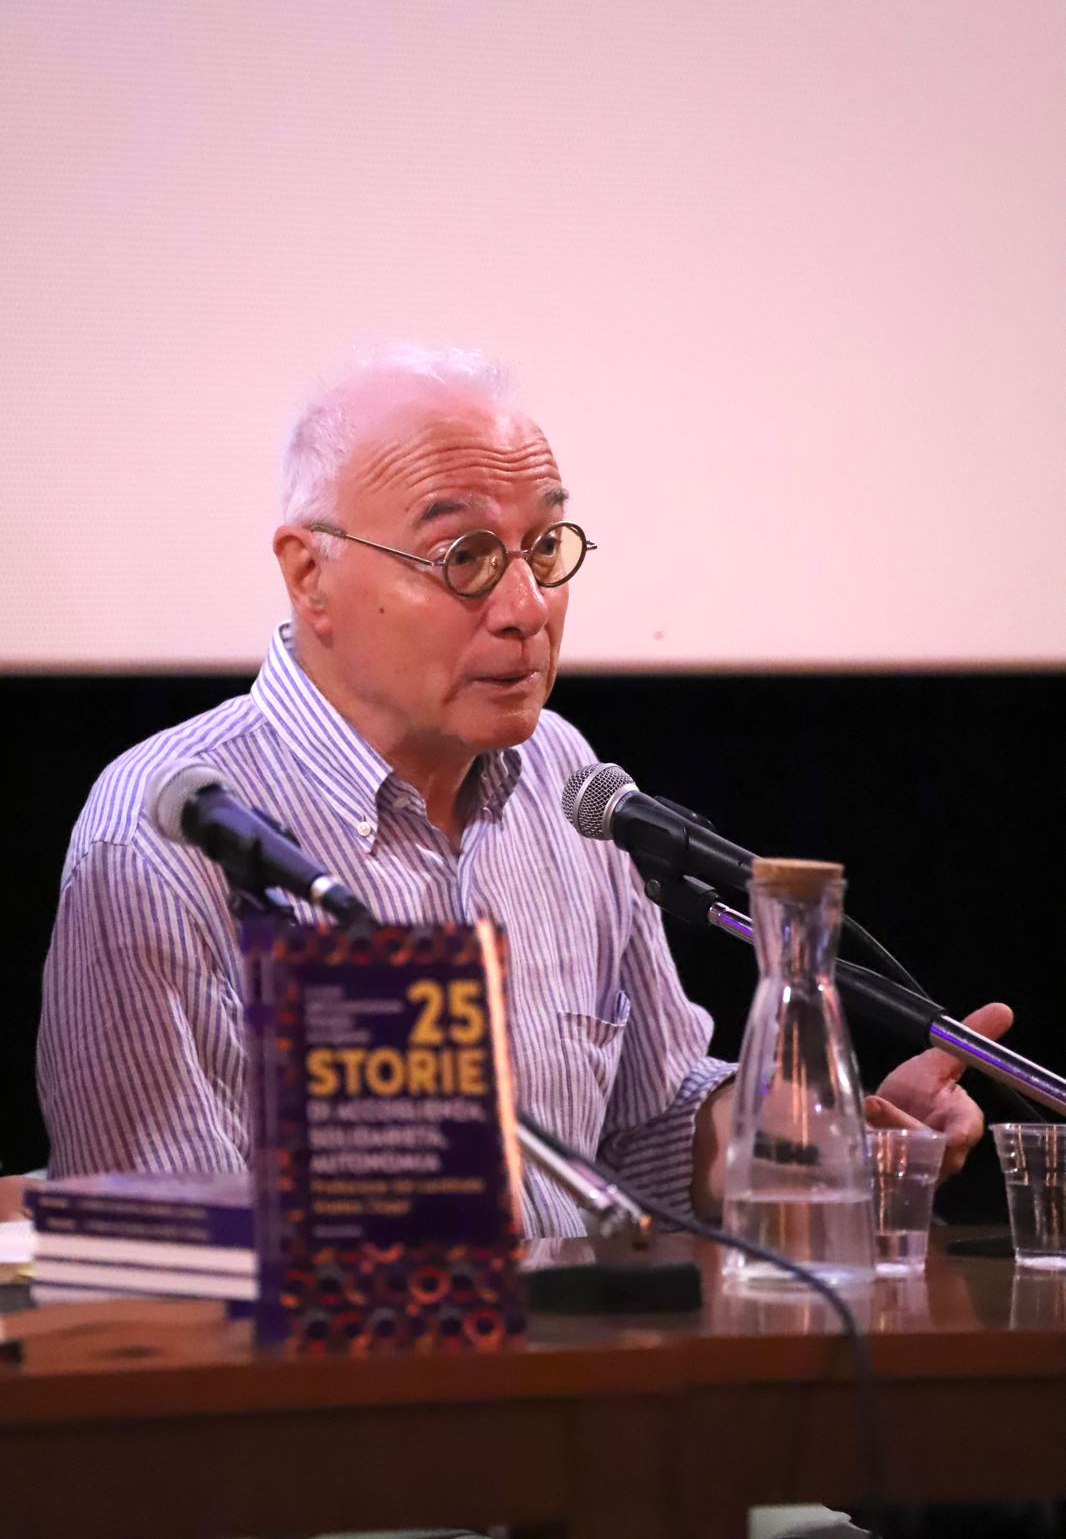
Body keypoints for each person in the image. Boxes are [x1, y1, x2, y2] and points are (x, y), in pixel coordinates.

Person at [38, 345, 1011, 1229]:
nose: (525, 608)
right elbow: (157, 1248)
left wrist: (808, 1136)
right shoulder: (168, 834)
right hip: (334, 1369)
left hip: (576, 1360)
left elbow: (646, 1129)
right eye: (463, 558)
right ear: (310, 577)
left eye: (545, 549)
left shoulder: (563, 780)